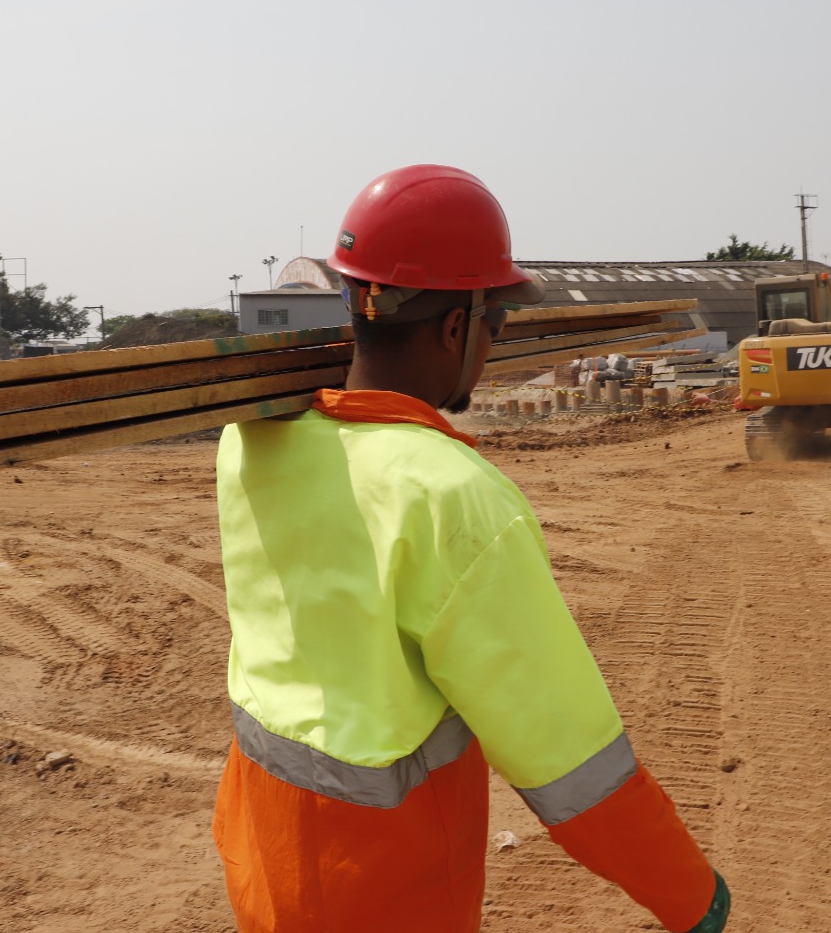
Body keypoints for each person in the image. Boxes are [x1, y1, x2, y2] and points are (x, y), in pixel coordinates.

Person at [212, 164, 729, 932]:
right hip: (386, 897)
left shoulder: (250, 443)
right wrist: (691, 895)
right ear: (458, 327)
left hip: (267, 868)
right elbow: (568, 755)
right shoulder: (452, 497)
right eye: (497, 325)